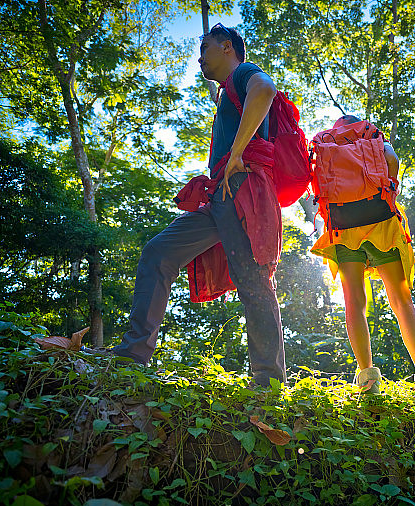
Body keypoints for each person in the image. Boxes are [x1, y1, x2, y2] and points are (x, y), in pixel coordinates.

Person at [89, 24, 287, 388]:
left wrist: (237, 153)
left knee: (254, 281)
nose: (200, 58)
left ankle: (268, 382)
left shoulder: (244, 72)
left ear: (228, 47)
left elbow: (266, 89)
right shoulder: (225, 93)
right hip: (220, 196)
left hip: (242, 190)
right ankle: (133, 355)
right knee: (159, 252)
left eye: (206, 48)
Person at [310, 115, 415, 396]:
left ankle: (368, 380)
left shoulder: (327, 143)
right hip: (381, 220)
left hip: (343, 227)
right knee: (401, 299)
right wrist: (390, 187)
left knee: (354, 302)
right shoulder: (371, 136)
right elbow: (391, 160)